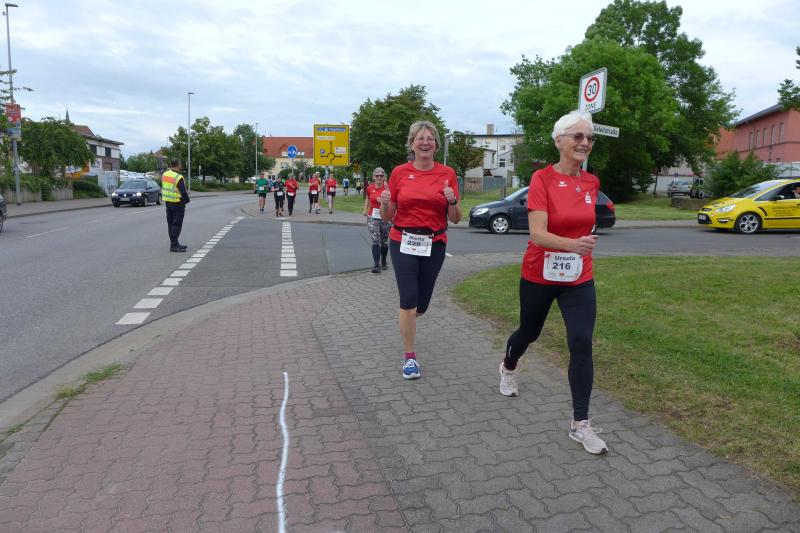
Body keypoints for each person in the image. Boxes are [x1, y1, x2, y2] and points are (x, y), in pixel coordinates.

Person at [499, 110, 607, 455]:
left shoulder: (591, 182)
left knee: (581, 342)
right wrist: (573, 244)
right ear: (559, 140)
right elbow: (538, 233)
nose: (585, 142)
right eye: (578, 136)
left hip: (578, 276)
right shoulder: (542, 179)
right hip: (539, 273)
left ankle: (580, 423)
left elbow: (585, 223)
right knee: (529, 332)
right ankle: (508, 366)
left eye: (589, 137)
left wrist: (582, 244)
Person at [380, 120, 461, 380]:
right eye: (419, 138)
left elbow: (456, 218)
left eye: (429, 139)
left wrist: (452, 200)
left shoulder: (447, 173)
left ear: (436, 145)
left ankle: (407, 320)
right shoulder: (399, 173)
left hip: (434, 243)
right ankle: (410, 358)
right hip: (402, 240)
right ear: (412, 144)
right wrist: (383, 203)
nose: (424, 143)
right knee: (408, 300)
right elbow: (387, 216)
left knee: (421, 305)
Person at [362, 167, 391, 273]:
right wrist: (365, 209)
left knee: (384, 241)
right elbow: (368, 198)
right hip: (373, 216)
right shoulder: (370, 188)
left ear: (384, 177)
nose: (379, 177)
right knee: (375, 239)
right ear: (373, 177)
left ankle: (383, 261)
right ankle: (376, 265)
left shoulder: (388, 188)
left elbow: (392, 202)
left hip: (385, 217)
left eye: (381, 175)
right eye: (377, 175)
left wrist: (384, 201)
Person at [161, 158, 191, 252]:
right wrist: (187, 200)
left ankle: (174, 243)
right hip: (177, 202)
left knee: (171, 224)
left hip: (168, 202)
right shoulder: (178, 177)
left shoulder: (165, 174)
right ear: (178, 165)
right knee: (177, 224)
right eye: (180, 164)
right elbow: (183, 191)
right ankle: (174, 246)